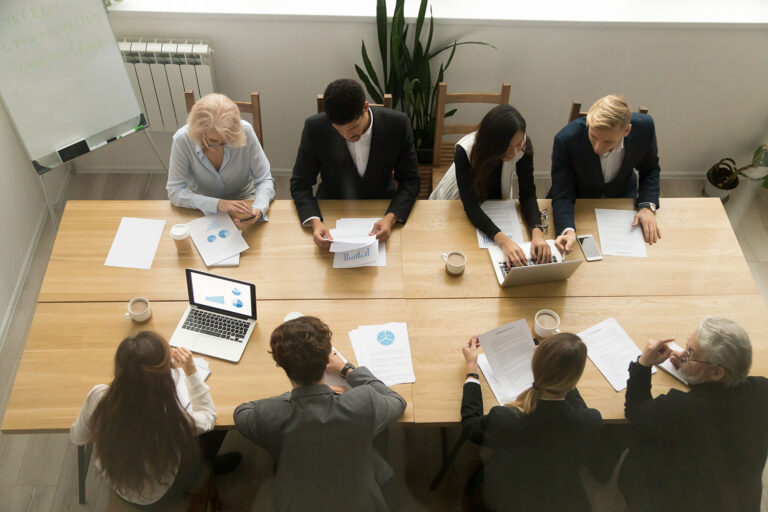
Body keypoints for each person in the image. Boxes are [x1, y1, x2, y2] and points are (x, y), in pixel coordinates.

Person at [234, 316, 407, 511]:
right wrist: (346, 369)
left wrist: (299, 395)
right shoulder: (363, 402)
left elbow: (241, 412)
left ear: (280, 364)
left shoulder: (268, 415)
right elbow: (397, 401)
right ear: (327, 359)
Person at [70, 331, 238, 509]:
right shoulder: (171, 419)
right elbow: (208, 416)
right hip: (159, 495)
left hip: (118, 484)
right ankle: (208, 466)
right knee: (219, 429)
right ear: (164, 375)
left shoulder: (98, 397)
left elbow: (77, 437)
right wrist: (190, 370)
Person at [619, 317, 768, 512]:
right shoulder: (762, 390)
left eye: (691, 353)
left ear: (716, 373)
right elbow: (720, 392)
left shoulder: (679, 408)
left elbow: (635, 409)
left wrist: (644, 364)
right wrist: (693, 370)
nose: (681, 354)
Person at [461, 333, 602, 511]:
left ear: (534, 367)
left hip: (505, 496)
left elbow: (470, 425)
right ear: (575, 379)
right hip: (557, 497)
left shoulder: (504, 419)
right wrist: (564, 369)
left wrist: (471, 368)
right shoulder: (590, 421)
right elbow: (577, 408)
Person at [290, 79, 420, 248]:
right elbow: (300, 183)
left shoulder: (398, 125)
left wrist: (391, 218)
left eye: (352, 128)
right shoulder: (315, 128)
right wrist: (315, 221)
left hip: (382, 209)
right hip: (331, 212)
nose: (346, 136)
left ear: (365, 107)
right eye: (339, 130)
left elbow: (411, 181)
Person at [430, 104, 550, 266]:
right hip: (457, 202)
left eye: (517, 144)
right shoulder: (465, 151)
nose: (514, 153)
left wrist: (537, 232)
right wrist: (504, 241)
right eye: (507, 147)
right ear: (491, 142)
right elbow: (471, 207)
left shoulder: (523, 144)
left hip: (495, 203)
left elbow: (528, 194)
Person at [549, 94, 661, 254]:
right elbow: (562, 192)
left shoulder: (645, 128)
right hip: (579, 202)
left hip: (621, 199)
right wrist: (567, 230)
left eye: (608, 142)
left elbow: (650, 168)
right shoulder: (566, 139)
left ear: (627, 130)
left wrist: (647, 206)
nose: (597, 148)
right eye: (593, 137)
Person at [167, 93, 275, 227]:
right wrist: (217, 204)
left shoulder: (245, 131)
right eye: (213, 141)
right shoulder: (182, 140)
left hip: (244, 199)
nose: (219, 148)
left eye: (227, 142)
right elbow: (175, 191)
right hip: (202, 203)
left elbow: (264, 179)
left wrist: (259, 208)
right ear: (198, 132)